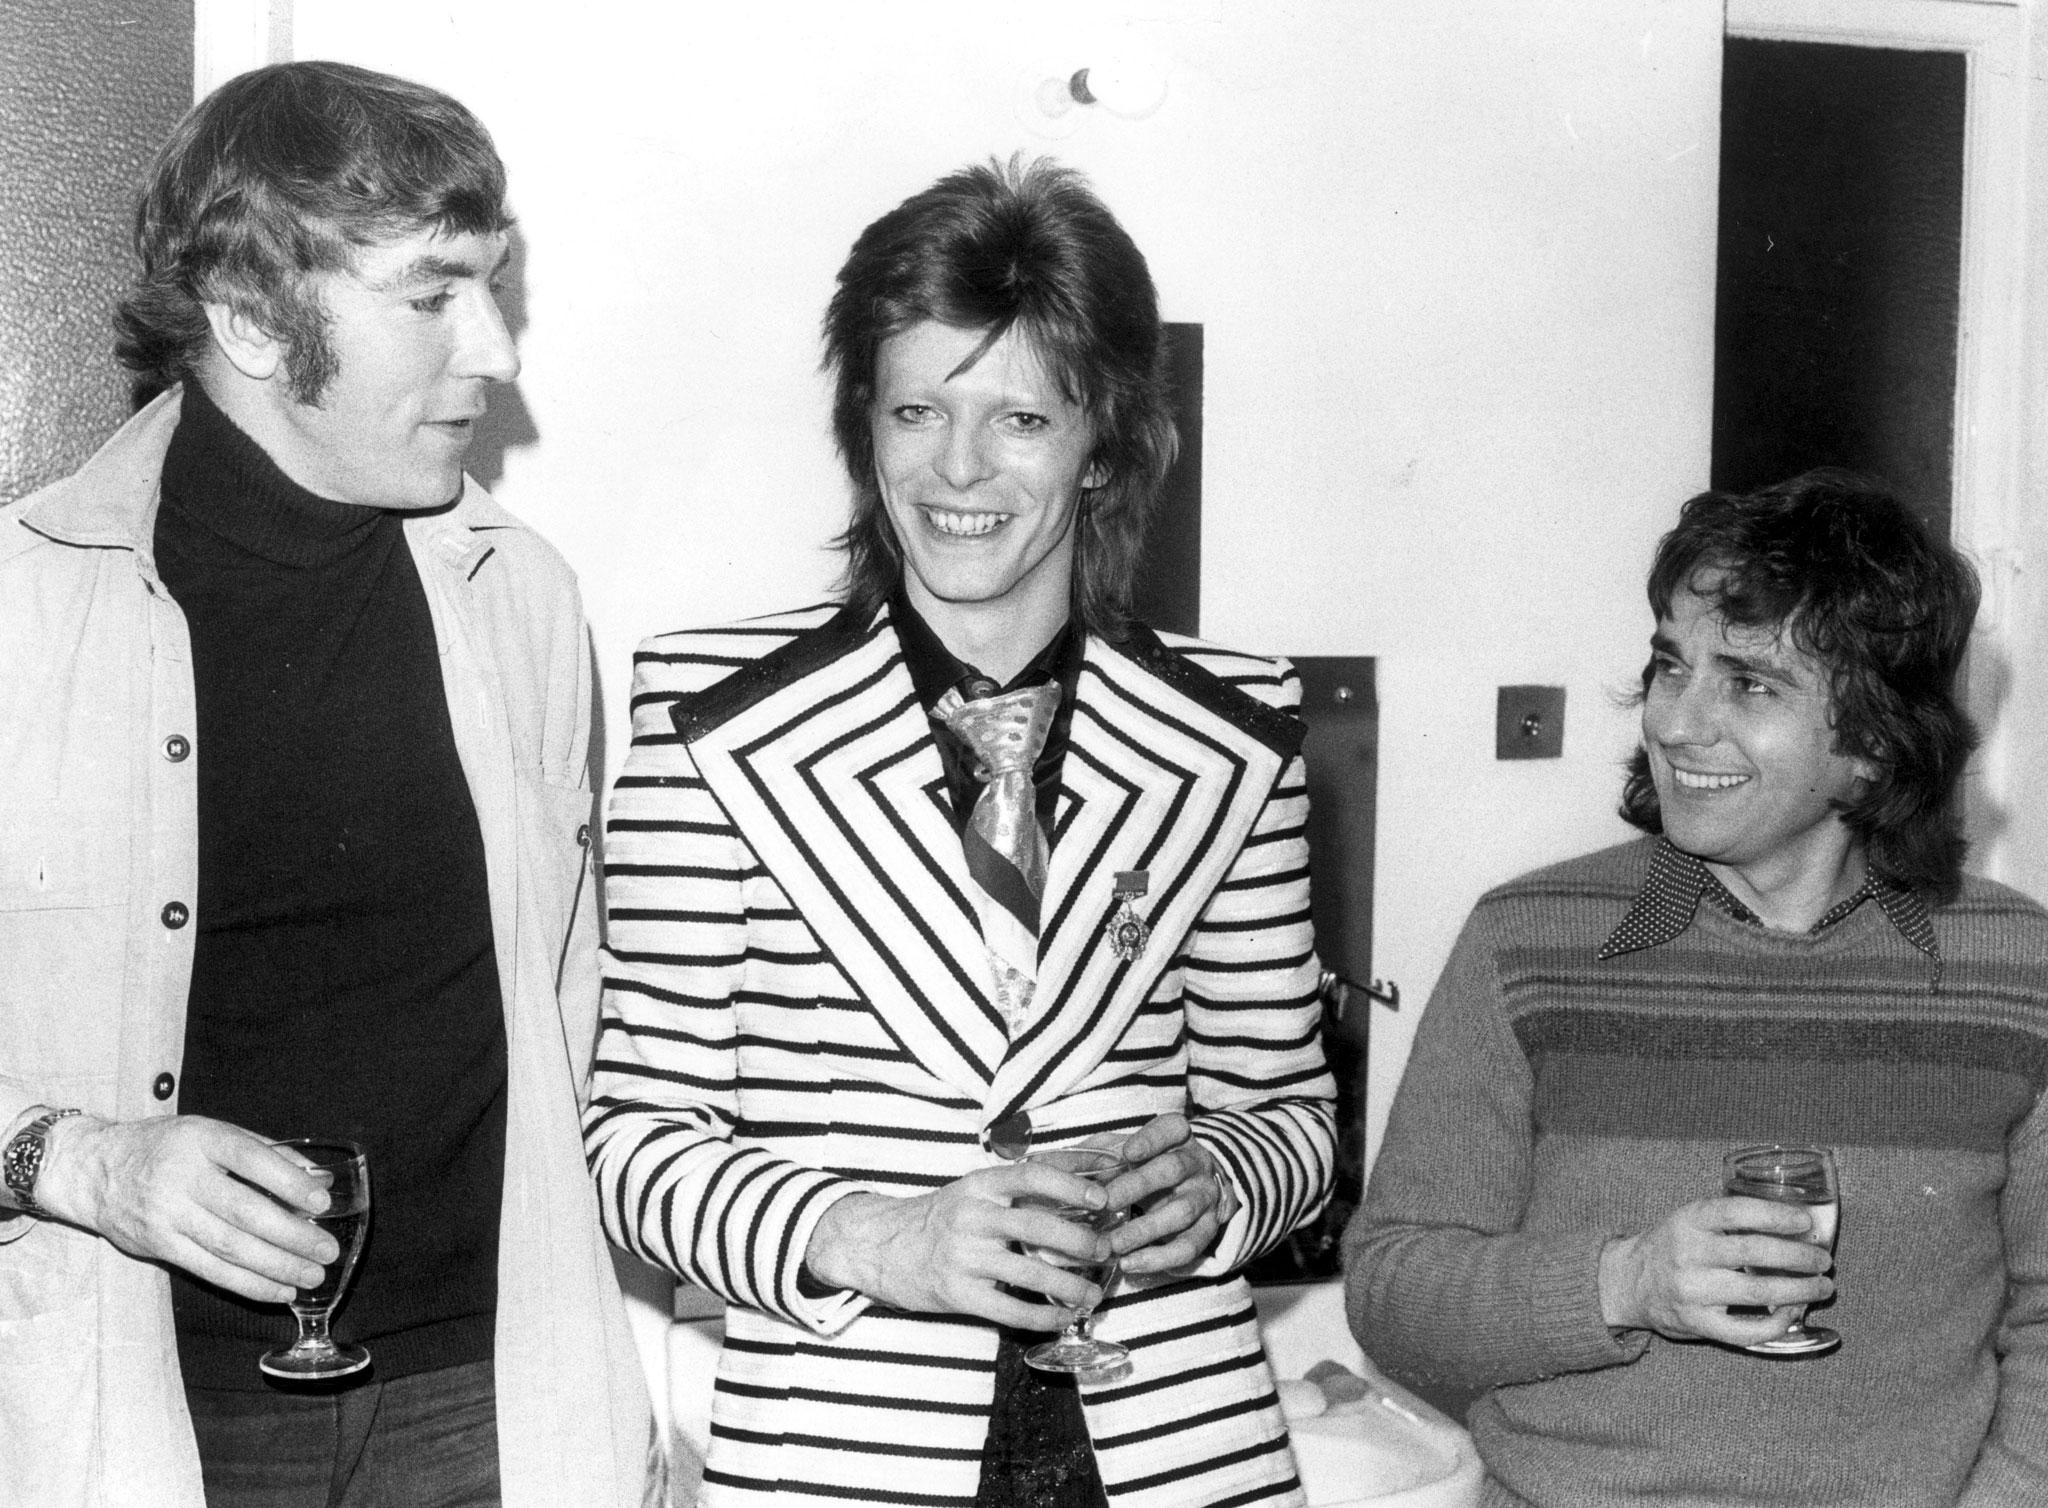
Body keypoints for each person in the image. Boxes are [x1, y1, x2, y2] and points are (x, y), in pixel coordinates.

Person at [586, 156, 1337, 1508]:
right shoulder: (713, 724)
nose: (959, 469)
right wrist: (877, 1238)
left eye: (1022, 419)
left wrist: (1222, 1182)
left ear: (1102, 439)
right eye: (917, 409)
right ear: (862, 428)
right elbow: (637, 1145)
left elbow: (1287, 1111)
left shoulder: (1237, 733)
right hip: (844, 1447)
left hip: (1171, 1443)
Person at [0, 62, 650, 1507]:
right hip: (143, 1424)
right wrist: (79, 1164)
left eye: (493, 288)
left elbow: (575, 1015)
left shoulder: (524, 599)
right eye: (431, 298)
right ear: (247, 318)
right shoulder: (19, 614)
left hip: (490, 1404)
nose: (493, 351)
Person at [1345, 470, 2048, 1506]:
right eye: (1669, 667)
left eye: (1748, 684)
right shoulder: (1527, 941)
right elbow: (1391, 1287)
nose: (1675, 721)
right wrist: (1624, 1281)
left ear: (1872, 741)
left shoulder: (2014, 967)